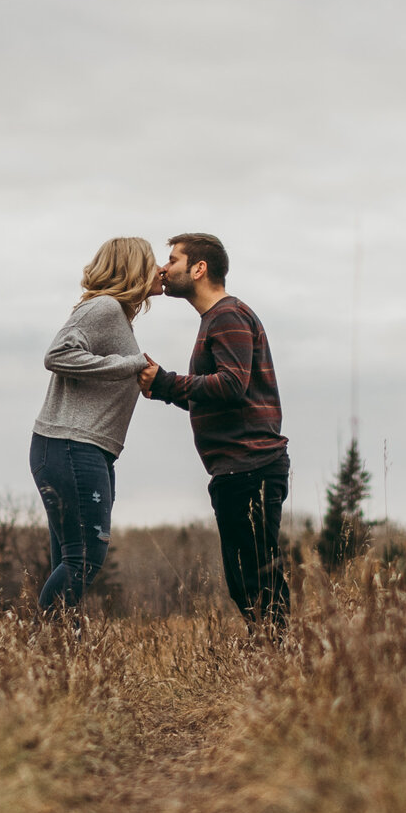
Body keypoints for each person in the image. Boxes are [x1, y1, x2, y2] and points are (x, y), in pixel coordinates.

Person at [138, 233, 291, 628]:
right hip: (236, 469)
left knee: (258, 580)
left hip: (251, 466)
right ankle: (277, 664)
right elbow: (218, 393)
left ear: (199, 268)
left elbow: (231, 385)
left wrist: (169, 382)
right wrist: (161, 387)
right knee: (245, 583)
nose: (163, 269)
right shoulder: (217, 319)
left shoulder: (227, 316)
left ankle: (286, 668)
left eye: (172, 260)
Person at [30, 237, 158, 618]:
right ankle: (39, 649)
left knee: (71, 560)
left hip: (76, 449)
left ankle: (59, 665)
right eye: (153, 263)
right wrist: (128, 364)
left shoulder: (114, 315)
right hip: (72, 446)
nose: (161, 271)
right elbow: (57, 354)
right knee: (83, 560)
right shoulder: (103, 307)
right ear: (134, 268)